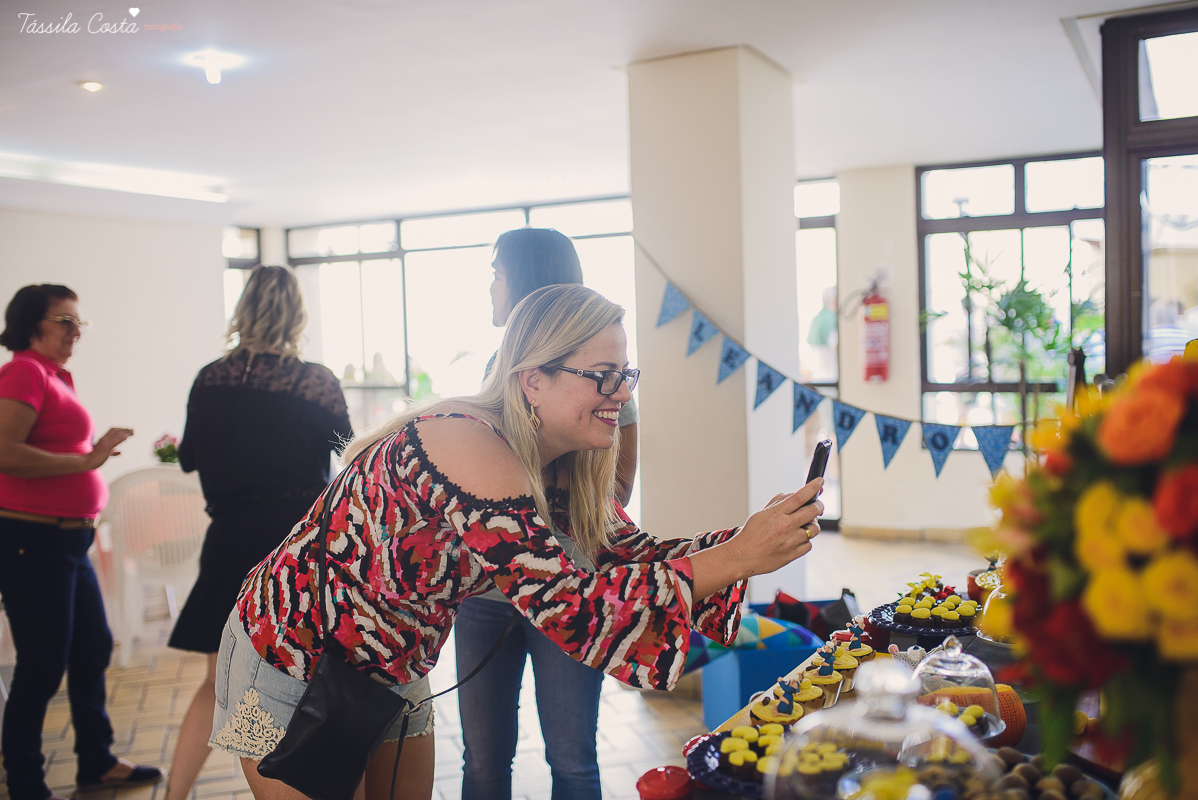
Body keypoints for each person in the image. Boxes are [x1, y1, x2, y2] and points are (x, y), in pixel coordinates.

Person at [212, 284, 822, 800]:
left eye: (626, 375)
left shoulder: (559, 464)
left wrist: (747, 540)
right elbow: (572, 606)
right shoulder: (470, 444)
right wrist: (739, 556)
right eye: (603, 376)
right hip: (291, 647)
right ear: (532, 380)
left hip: (392, 660)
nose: (622, 393)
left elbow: (627, 554)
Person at [457, 227, 638, 800]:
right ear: (527, 382)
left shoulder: (604, 380)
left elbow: (617, 493)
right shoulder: (501, 370)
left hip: (572, 589)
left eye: (497, 273)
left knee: (573, 759)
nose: (491, 287)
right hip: (486, 594)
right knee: (482, 762)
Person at [165, 266, 353, 800]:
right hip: (294, 549)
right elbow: (351, 452)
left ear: (243, 309)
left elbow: (188, 457)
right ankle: (277, 792)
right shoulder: (313, 381)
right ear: (296, 315)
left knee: (218, 683)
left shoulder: (210, 378)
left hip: (228, 542)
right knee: (290, 683)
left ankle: (174, 797)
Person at [0, 283, 160, 800]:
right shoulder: (24, 371)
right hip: (33, 541)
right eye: (64, 321)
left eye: (79, 323)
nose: (75, 332)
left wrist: (90, 455)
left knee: (91, 648)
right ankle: (25, 783)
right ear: (31, 325)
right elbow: (4, 451)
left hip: (68, 541)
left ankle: (96, 760)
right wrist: (88, 460)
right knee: (42, 665)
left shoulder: (52, 375)